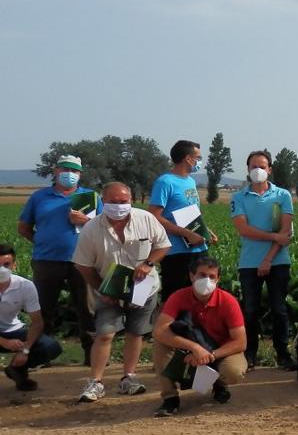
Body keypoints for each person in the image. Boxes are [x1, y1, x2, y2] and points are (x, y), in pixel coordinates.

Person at [72, 182, 171, 403]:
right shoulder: (91, 229)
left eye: (123, 202)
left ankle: (129, 377)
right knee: (105, 333)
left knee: (135, 332)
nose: (118, 206)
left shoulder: (145, 219)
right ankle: (96, 381)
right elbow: (83, 265)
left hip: (144, 287)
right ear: (103, 202)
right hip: (108, 287)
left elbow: (163, 245)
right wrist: (102, 290)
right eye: (113, 202)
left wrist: (148, 263)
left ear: (131, 200)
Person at [17, 154, 98, 358]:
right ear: (56, 171)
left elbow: (103, 229)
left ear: (80, 174)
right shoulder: (40, 197)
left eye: (74, 171)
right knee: (43, 309)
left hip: (83, 261)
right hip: (46, 261)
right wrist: (43, 242)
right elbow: (24, 227)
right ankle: (42, 354)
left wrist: (86, 220)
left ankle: (93, 354)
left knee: (88, 309)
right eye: (65, 169)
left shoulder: (91, 197)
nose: (69, 174)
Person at [150, 256, 247, 417]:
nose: (207, 280)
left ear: (218, 279)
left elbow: (240, 342)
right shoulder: (178, 297)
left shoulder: (228, 301)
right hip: (188, 348)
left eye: (212, 276)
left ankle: (220, 384)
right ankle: (170, 398)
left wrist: (209, 356)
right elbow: (160, 330)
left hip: (219, 350)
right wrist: (193, 348)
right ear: (191, 276)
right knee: (160, 343)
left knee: (234, 371)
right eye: (202, 275)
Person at [230, 150, 295, 370]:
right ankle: (250, 354)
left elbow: (285, 233)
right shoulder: (238, 197)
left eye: (262, 166)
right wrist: (272, 236)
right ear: (248, 170)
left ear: (270, 169)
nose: (258, 170)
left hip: (278, 261)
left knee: (279, 309)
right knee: (250, 310)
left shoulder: (283, 195)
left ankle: (283, 354)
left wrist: (268, 258)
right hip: (249, 262)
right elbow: (243, 229)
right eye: (253, 166)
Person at [149, 139, 215, 297]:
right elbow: (154, 217)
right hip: (176, 252)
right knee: (176, 299)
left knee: (199, 296)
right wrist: (187, 234)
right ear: (188, 158)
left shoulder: (190, 181)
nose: (200, 161)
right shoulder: (165, 182)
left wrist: (206, 230)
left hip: (198, 249)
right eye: (198, 158)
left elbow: (193, 212)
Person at [0, 243, 63, 391]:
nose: (2, 269)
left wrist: (25, 349)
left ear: (14, 265)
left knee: (51, 347)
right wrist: (4, 342)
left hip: (13, 330)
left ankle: (18, 368)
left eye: (6, 264)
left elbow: (37, 323)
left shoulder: (25, 286)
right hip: (4, 339)